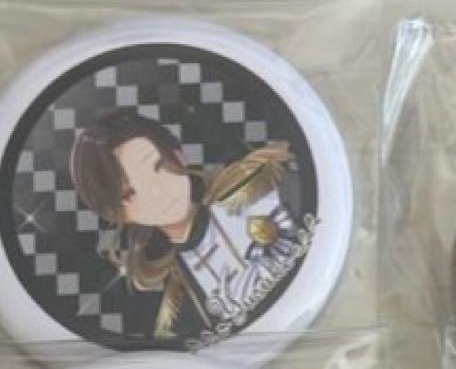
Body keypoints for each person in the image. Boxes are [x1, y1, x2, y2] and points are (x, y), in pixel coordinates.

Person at [69, 108, 308, 342]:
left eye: (157, 167)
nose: (156, 192)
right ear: (118, 214)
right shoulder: (176, 313)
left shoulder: (263, 187)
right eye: (130, 192)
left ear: (178, 156)